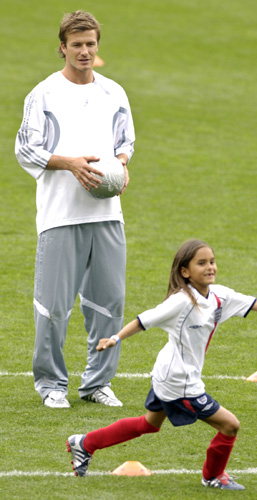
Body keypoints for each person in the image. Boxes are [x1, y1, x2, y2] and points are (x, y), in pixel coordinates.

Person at [66, 239, 257, 490]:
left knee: (149, 424)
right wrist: (114, 339)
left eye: (212, 261)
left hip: (166, 374)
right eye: (201, 263)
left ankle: (85, 443)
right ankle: (213, 476)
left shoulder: (220, 295)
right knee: (230, 425)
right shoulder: (181, 301)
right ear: (185, 272)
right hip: (180, 381)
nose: (210, 267)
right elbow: (144, 320)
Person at [15, 11, 135, 409]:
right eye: (77, 44)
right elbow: (26, 149)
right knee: (53, 307)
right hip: (60, 216)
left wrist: (120, 169)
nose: (85, 51)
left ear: (98, 46)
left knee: (110, 302)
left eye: (90, 44)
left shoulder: (114, 93)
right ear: (62, 48)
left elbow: (125, 141)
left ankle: (97, 383)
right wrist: (70, 163)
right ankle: (51, 384)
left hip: (107, 214)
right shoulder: (44, 94)